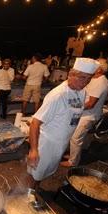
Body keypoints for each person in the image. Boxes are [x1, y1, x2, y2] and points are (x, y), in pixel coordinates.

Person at [26, 58, 99, 191]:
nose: (85, 82)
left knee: (45, 172)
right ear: (71, 74)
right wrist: (34, 150)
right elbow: (35, 123)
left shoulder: (81, 92)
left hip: (61, 143)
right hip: (47, 144)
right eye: (82, 78)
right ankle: (27, 194)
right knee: (35, 173)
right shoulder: (58, 95)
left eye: (89, 79)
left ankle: (35, 190)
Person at [60, 58, 108, 167]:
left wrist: (73, 107)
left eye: (94, 67)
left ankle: (73, 162)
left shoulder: (101, 82)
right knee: (74, 135)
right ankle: (73, 155)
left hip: (89, 115)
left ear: (100, 70)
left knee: (76, 137)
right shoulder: (95, 78)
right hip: (84, 113)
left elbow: (91, 103)